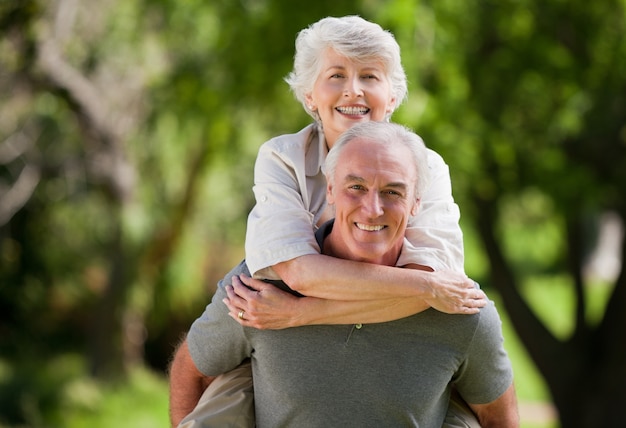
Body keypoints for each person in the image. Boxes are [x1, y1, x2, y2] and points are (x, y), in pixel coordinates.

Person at [172, 15, 490, 427]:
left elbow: (431, 289)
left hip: (398, 350)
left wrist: (297, 314)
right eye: (336, 75)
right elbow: (299, 272)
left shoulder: (428, 166)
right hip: (278, 341)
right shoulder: (283, 157)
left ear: (392, 97)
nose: (353, 90)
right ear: (309, 96)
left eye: (370, 76)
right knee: (220, 406)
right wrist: (425, 287)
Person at [170, 121, 519, 427]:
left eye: (392, 192)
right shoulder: (258, 288)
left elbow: (498, 418)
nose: (373, 208)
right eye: (356, 187)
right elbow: (191, 369)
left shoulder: (457, 308)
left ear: (417, 203)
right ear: (331, 190)